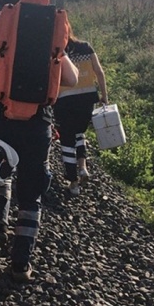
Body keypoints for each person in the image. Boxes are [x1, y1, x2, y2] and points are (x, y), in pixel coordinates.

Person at [0, 0, 79, 282]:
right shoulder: (47, 37)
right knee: (31, 194)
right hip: (39, 124)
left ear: (3, 10)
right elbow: (72, 77)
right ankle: (20, 264)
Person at [54, 23, 108, 196]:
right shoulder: (85, 47)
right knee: (80, 132)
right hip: (87, 99)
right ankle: (83, 168)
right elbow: (99, 72)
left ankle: (73, 181)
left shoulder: (56, 51)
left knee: (67, 140)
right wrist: (104, 96)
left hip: (64, 102)